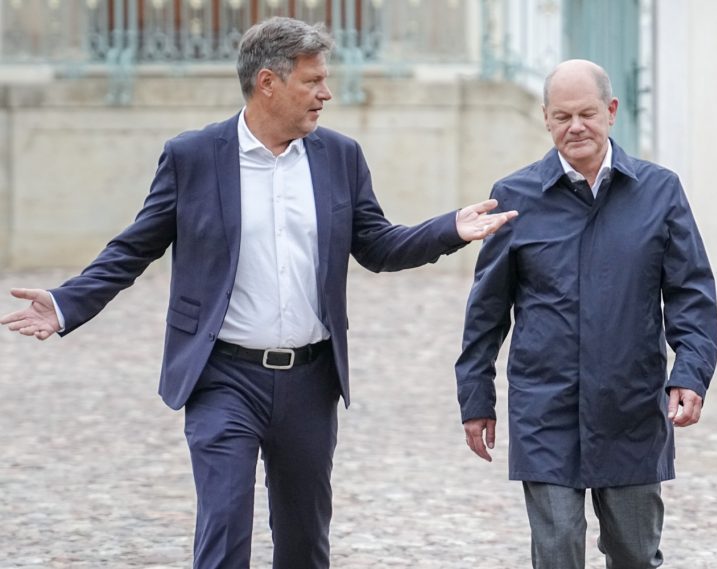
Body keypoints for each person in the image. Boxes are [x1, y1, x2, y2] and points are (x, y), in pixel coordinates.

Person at [0, 17, 516, 569]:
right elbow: (135, 247)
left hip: (310, 380)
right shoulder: (194, 157)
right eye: (312, 81)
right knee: (224, 527)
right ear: (268, 82)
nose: (326, 93)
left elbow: (377, 245)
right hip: (222, 376)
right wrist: (66, 303)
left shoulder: (339, 156)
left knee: (304, 541)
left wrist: (450, 229)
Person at [455, 59, 717, 569]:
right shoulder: (514, 197)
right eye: (562, 116)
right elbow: (486, 310)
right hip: (545, 407)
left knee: (635, 554)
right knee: (557, 551)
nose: (575, 127)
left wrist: (690, 373)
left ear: (611, 111)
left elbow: (691, 293)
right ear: (546, 118)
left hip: (631, 404)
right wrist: (475, 395)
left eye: (587, 114)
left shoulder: (660, 191)